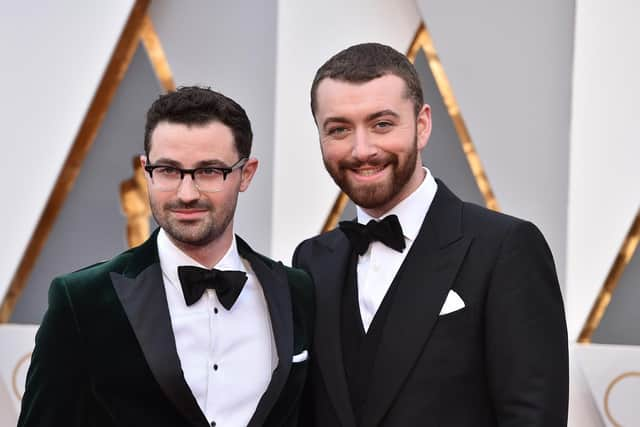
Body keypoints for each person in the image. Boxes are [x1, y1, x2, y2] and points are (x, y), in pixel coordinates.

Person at [293, 43, 568, 426]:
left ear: (422, 125)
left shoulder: (506, 249)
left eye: (382, 124)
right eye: (338, 129)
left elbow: (533, 416)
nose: (362, 149)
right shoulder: (311, 260)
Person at [18, 86, 313, 427]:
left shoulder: (295, 292)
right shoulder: (82, 301)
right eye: (169, 170)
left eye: (209, 171)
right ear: (146, 170)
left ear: (246, 174)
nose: (186, 194)